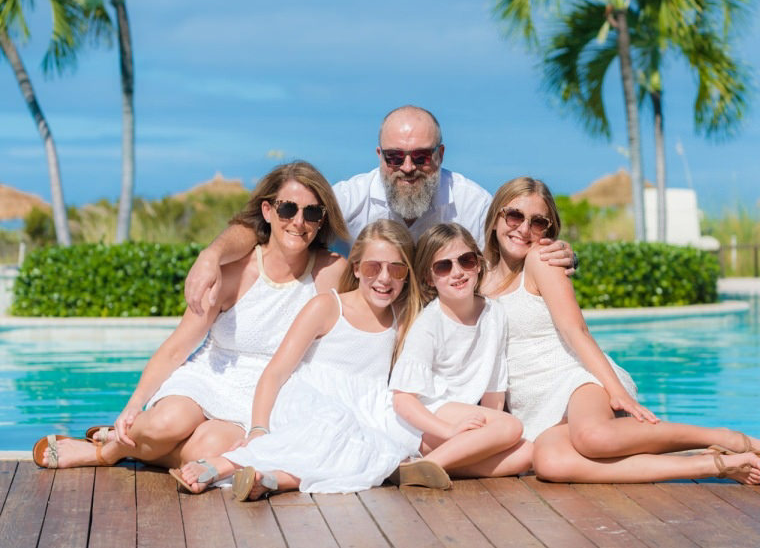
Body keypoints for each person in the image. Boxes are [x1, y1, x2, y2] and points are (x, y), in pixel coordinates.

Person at [32, 162, 348, 470]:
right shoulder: (236, 272)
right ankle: (106, 452)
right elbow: (178, 347)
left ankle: (124, 444)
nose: (299, 221)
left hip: (270, 396)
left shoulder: (331, 272)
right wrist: (133, 405)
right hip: (211, 376)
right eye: (287, 209)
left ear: (322, 219)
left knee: (204, 452)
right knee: (164, 424)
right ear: (268, 211)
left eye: (312, 212)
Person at [479, 177, 760, 485]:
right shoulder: (474, 279)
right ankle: (713, 464)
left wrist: (617, 393)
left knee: (593, 437)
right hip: (532, 405)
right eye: (514, 216)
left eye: (537, 222)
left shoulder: (541, 261)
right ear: (496, 217)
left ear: (548, 230)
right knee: (550, 463)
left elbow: (577, 332)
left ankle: (727, 438)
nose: (523, 229)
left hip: (575, 379)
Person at [182, 105, 575, 316]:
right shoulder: (349, 197)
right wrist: (211, 256)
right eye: (395, 157)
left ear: (440, 155)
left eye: (421, 156)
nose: (407, 167)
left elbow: (516, 236)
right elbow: (268, 224)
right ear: (379, 156)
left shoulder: (470, 201)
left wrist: (556, 253)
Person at [170, 220, 433, 498]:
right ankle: (224, 464)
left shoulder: (402, 319)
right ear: (356, 268)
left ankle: (272, 479)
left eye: (397, 269)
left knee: (369, 448)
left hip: (365, 409)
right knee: (333, 426)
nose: (384, 278)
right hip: (311, 400)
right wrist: (258, 428)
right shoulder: (328, 306)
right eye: (373, 267)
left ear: (407, 275)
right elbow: (275, 373)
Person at [389, 223, 532, 483]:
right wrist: (449, 431)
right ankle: (429, 462)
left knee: (526, 453)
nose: (457, 272)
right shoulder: (429, 323)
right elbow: (403, 400)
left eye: (465, 261)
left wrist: (490, 437)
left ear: (478, 264)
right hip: (429, 418)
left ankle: (425, 467)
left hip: (462, 424)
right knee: (511, 426)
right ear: (429, 278)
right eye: (443, 266)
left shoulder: (495, 314)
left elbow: (493, 388)